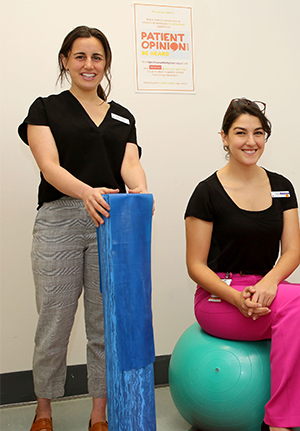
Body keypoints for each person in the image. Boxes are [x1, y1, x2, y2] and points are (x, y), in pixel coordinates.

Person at [184, 98, 300, 431]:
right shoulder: (206, 193)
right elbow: (196, 266)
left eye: (258, 133)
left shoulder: (282, 186)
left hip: (268, 287)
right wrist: (236, 297)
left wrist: (269, 283)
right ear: (224, 137)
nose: (250, 141)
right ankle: (282, 422)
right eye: (240, 133)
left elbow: (292, 251)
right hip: (220, 298)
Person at [18, 26, 150, 431]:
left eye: (96, 57)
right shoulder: (45, 109)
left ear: (105, 63)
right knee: (54, 321)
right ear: (65, 61)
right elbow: (49, 166)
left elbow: (128, 164)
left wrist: (141, 191)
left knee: (103, 322)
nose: (88, 65)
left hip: (109, 224)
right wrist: (86, 192)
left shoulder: (122, 115)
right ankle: (44, 410)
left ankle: (98, 413)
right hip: (59, 217)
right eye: (80, 56)